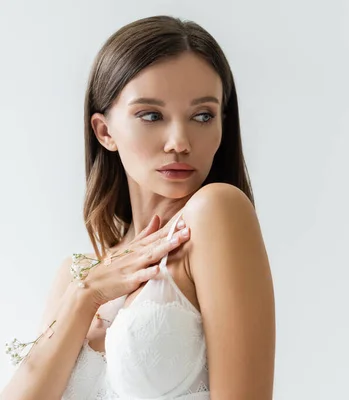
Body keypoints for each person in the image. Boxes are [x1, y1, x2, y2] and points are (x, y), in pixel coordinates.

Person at [1, 15, 275, 400]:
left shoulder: (216, 214)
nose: (179, 141)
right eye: (151, 115)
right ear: (104, 131)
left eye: (202, 115)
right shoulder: (76, 275)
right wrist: (86, 296)